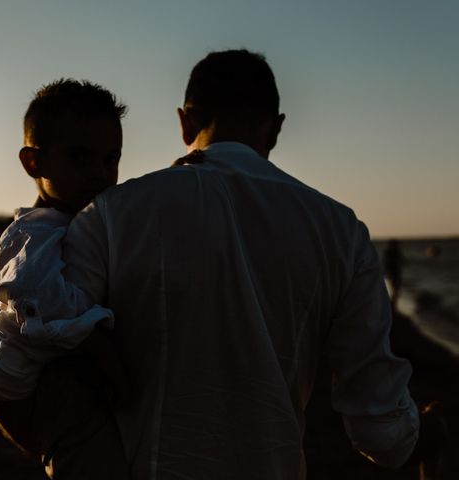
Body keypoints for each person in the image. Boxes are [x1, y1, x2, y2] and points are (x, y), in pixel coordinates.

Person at [59, 50, 439, 478]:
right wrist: (435, 430)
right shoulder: (341, 231)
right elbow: (382, 433)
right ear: (275, 129)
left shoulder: (110, 213)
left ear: (184, 122)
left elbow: (22, 368)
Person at [0, 79, 130, 478]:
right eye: (80, 157)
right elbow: (37, 298)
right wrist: (101, 346)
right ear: (33, 163)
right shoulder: (34, 232)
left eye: (111, 159)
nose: (100, 174)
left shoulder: (79, 219)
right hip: (11, 375)